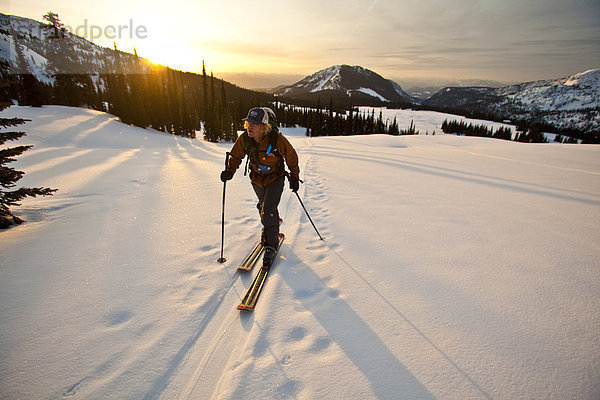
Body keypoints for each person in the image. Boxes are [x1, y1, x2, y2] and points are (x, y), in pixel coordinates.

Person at [220, 107, 300, 266]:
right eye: (248, 123)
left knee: (268, 209)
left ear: (265, 126)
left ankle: (271, 243)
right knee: (263, 206)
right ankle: (271, 225)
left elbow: (291, 157)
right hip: (256, 179)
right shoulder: (245, 139)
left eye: (254, 124)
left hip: (275, 179)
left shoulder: (277, 139)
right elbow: (236, 155)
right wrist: (229, 171)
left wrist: (294, 177)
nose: (250, 126)